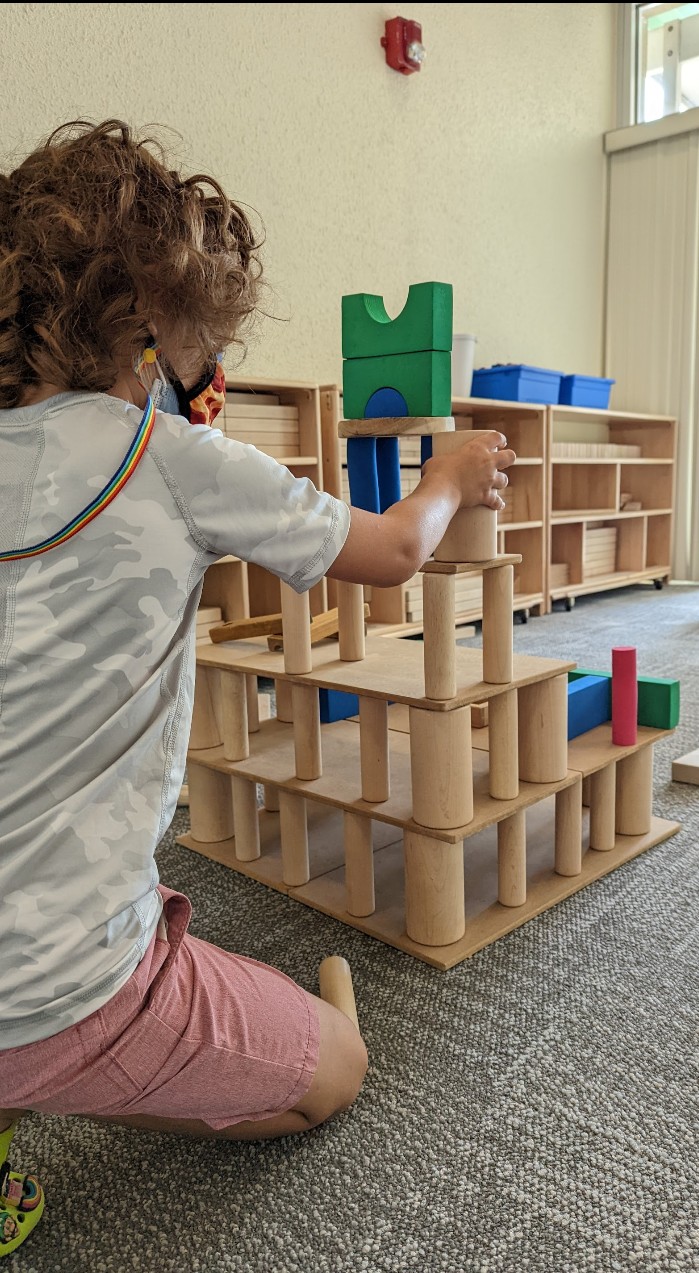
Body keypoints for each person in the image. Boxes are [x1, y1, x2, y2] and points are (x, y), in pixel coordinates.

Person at [0, 119, 515, 1256]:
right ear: (147, 336)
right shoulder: (170, 458)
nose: (212, 385)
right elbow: (390, 552)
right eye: (204, 361)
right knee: (337, 1072)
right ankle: (131, 1057)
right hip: (59, 982)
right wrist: (447, 476)